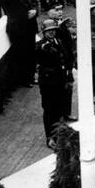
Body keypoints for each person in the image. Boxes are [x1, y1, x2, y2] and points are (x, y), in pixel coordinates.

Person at [37, 17, 73, 147]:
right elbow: (39, 52)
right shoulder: (41, 45)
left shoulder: (59, 42)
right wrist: (44, 48)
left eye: (53, 30)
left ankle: (61, 134)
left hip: (60, 80)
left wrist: (68, 77)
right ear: (44, 32)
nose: (52, 33)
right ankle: (50, 138)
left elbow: (66, 57)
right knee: (49, 110)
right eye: (49, 31)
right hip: (48, 83)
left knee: (60, 109)